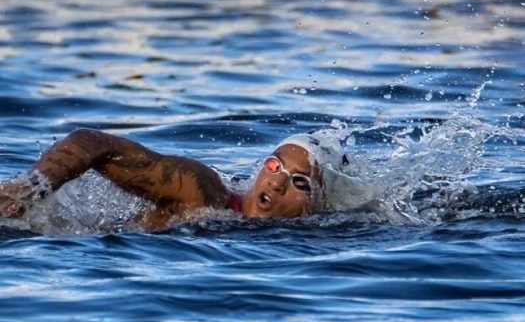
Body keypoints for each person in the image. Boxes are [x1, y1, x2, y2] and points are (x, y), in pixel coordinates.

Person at [0, 129, 350, 231]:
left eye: (300, 182)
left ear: (317, 204)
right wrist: (32, 190)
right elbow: (93, 143)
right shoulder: (203, 192)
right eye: (275, 166)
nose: (276, 184)